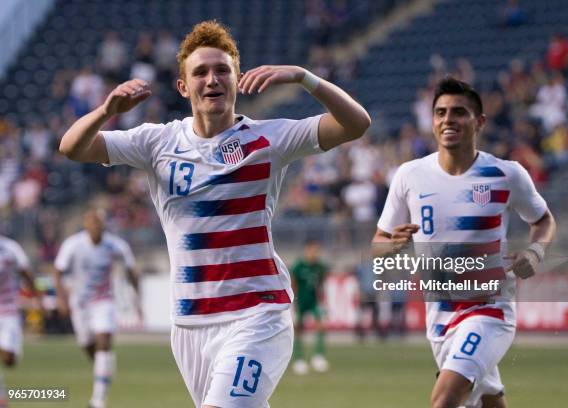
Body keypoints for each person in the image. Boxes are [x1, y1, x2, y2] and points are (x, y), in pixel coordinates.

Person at [58, 20, 370, 408]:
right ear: (183, 87)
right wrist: (107, 109)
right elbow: (72, 147)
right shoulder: (157, 142)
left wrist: (305, 78)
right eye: (200, 72)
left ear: (237, 78)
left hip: (258, 315)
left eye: (222, 70)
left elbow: (356, 124)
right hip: (190, 323)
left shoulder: (270, 138)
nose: (212, 79)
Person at [372, 77, 556, 408]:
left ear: (479, 121)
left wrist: (535, 250)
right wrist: (392, 246)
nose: (448, 120)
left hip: (490, 310)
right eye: (440, 112)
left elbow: (543, 220)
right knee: (490, 401)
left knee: (445, 400)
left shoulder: (506, 174)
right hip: (440, 316)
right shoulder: (409, 175)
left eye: (459, 112)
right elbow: (378, 245)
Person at [53, 209, 139, 408]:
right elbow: (58, 271)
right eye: (92, 223)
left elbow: (130, 269)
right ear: (86, 225)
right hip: (80, 304)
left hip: (103, 302)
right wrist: (62, 298)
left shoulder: (116, 245)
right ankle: (105, 366)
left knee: (103, 341)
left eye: (99, 223)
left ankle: (98, 400)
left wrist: (137, 296)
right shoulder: (73, 245)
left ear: (104, 225)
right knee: (88, 346)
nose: (96, 227)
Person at [0, 235, 41, 408]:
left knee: (9, 359)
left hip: (9, 310)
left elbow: (26, 273)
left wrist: (38, 297)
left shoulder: (11, 248)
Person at [291, 239, 329, 375]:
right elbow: (293, 284)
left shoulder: (320, 267)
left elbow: (321, 284)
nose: (314, 253)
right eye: (312, 250)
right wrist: (293, 302)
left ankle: (318, 357)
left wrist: (322, 300)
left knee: (321, 326)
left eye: (316, 250)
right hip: (300, 301)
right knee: (298, 330)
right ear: (307, 250)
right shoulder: (298, 266)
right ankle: (299, 359)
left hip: (314, 301)